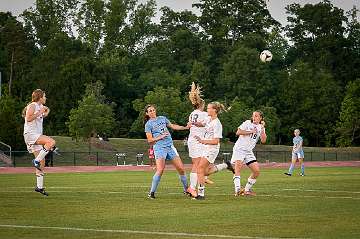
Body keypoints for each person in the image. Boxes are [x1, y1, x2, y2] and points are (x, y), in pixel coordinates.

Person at [144, 104, 190, 199]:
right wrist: (160, 137)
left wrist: (185, 127)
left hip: (170, 146)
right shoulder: (148, 124)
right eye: (150, 111)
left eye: (153, 110)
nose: (152, 112)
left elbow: (172, 126)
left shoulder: (162, 118)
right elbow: (149, 140)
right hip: (160, 148)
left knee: (181, 169)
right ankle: (151, 193)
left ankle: (187, 190)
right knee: (160, 170)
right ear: (147, 113)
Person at [193, 102, 234, 200]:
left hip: (212, 149)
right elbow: (201, 124)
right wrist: (194, 123)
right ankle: (226, 165)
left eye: (208, 108)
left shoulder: (217, 124)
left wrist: (203, 141)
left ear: (214, 110)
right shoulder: (208, 119)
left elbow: (216, 141)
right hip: (206, 147)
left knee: (199, 169)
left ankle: (201, 194)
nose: (207, 110)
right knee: (205, 172)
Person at [23, 89, 56, 196]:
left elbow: (42, 115)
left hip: (35, 135)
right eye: (44, 96)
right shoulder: (32, 105)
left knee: (42, 163)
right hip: (31, 134)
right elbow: (28, 118)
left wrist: (46, 111)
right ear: (40, 97)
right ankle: (35, 160)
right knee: (51, 142)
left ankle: (39, 187)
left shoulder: (40, 107)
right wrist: (40, 112)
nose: (46, 98)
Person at [231, 111, 267, 196]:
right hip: (239, 149)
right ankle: (237, 190)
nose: (254, 117)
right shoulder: (247, 123)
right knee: (238, 169)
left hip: (248, 151)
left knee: (256, 171)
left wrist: (262, 128)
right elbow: (238, 132)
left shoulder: (260, 127)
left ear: (261, 118)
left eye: (256, 116)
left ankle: (246, 190)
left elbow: (263, 140)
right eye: (253, 116)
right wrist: (250, 132)